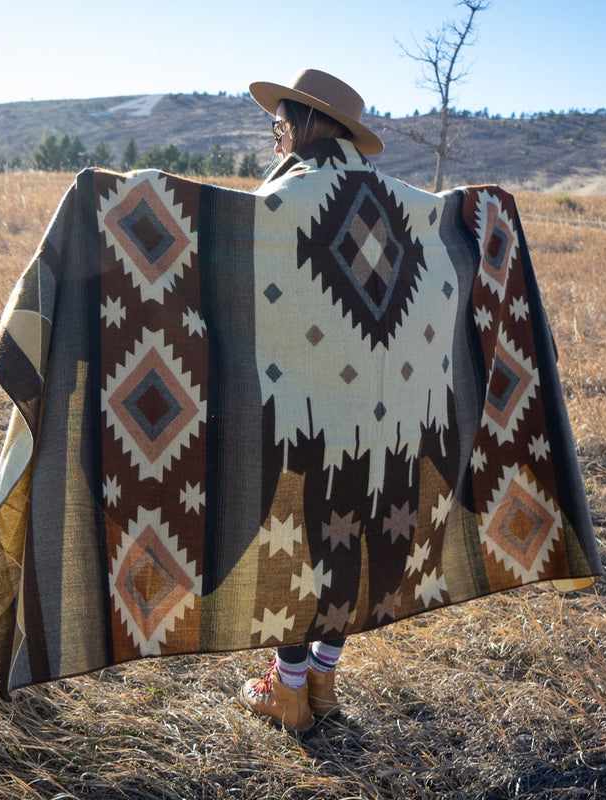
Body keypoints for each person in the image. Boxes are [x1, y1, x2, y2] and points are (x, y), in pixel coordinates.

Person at [237, 68, 384, 734]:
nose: (275, 138)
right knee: (347, 538)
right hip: (383, 413)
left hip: (297, 409)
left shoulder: (287, 195)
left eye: (279, 125)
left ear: (301, 127)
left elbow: (227, 265)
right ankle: (322, 681)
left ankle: (289, 694)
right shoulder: (390, 202)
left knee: (293, 545)